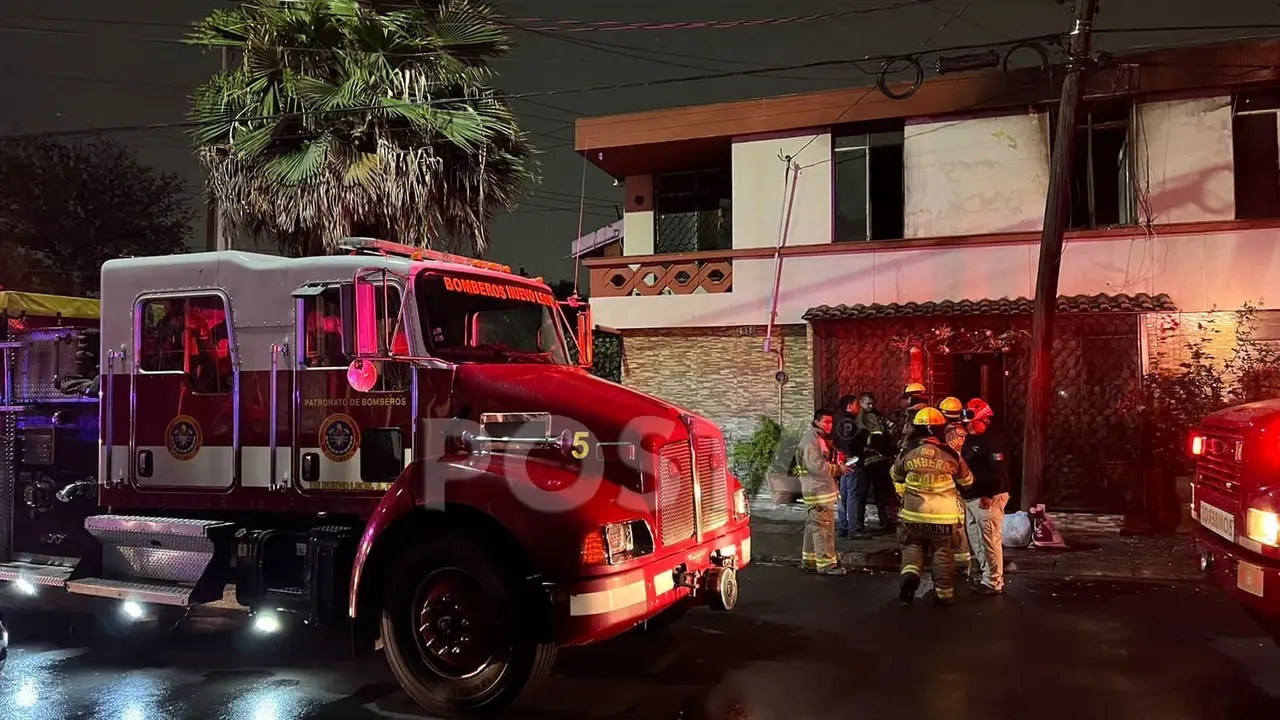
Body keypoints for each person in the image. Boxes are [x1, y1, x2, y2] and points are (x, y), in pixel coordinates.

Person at [890, 407, 975, 605]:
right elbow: (968, 481)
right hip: (943, 519)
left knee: (912, 547)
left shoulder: (908, 452)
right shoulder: (950, 454)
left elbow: (896, 475)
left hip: (913, 516)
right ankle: (944, 595)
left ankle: (910, 576)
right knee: (943, 554)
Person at [961, 398, 1012, 595]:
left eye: (973, 422)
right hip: (971, 497)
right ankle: (986, 575)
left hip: (988, 498)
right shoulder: (972, 438)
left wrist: (988, 494)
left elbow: (998, 470)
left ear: (985, 420)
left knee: (990, 539)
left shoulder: (995, 441)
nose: (969, 426)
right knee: (976, 538)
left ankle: (993, 580)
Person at [797, 408, 849, 576]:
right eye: (826, 422)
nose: (829, 425)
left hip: (816, 491)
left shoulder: (816, 439)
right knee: (823, 528)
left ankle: (810, 560)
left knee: (814, 527)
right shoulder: (811, 441)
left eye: (831, 422)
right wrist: (839, 469)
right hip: (818, 492)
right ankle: (826, 564)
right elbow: (817, 467)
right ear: (816, 421)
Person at [851, 392, 894, 536]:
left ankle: (884, 522)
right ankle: (859, 525)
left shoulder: (879, 416)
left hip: (880, 460)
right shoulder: (858, 418)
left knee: (880, 494)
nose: (870, 406)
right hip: (866, 460)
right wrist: (874, 440)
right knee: (861, 494)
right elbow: (862, 437)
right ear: (861, 402)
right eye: (868, 403)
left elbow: (889, 429)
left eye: (872, 403)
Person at [938, 396, 972, 577]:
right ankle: (964, 560)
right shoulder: (966, 431)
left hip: (950, 483)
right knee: (964, 522)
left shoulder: (944, 434)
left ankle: (959, 562)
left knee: (955, 524)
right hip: (965, 480)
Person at [832, 394, 861, 537]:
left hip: (840, 460)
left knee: (843, 494)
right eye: (857, 404)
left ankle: (843, 526)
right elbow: (852, 441)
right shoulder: (850, 421)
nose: (859, 407)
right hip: (852, 460)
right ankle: (853, 528)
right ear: (849, 405)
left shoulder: (836, 419)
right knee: (853, 494)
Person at [891, 383, 931, 453]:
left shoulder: (912, 414)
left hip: (911, 450)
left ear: (910, 399)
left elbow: (907, 434)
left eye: (905, 398)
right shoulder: (928, 412)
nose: (902, 400)